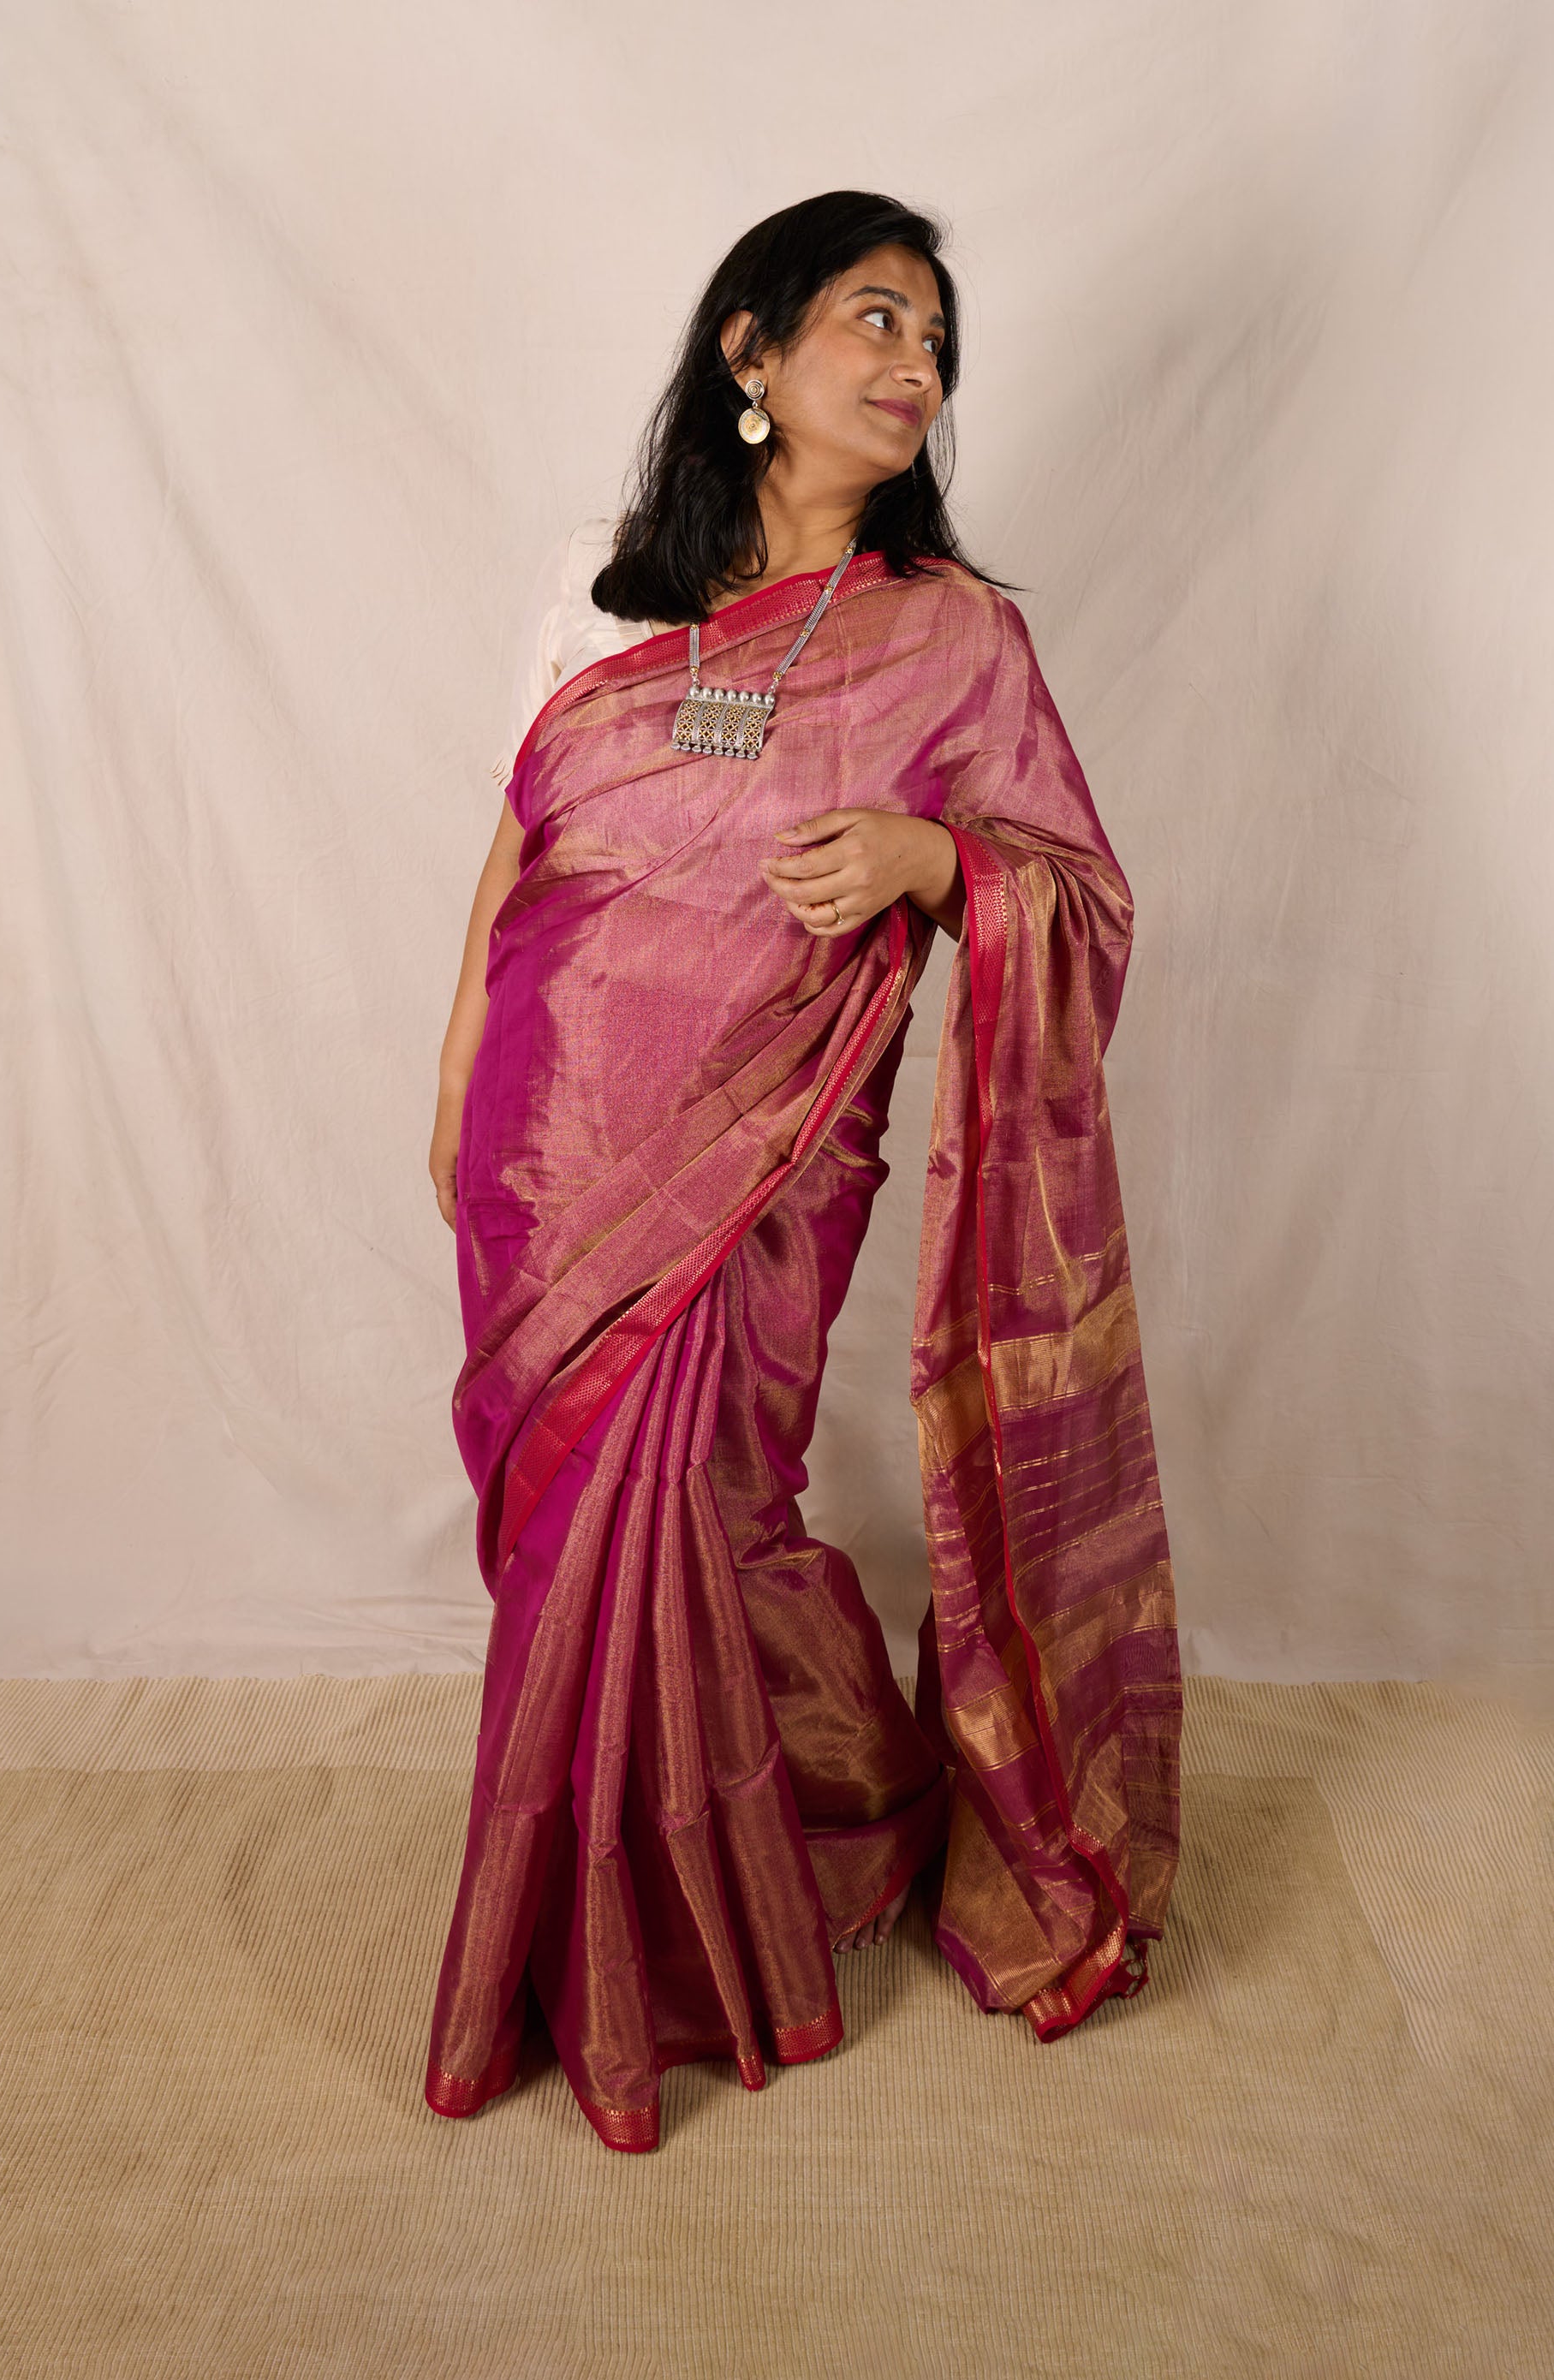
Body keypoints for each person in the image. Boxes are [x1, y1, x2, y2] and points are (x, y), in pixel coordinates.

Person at [423, 190, 1182, 2154]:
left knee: (708, 1497)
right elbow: (517, 853)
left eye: (934, 337)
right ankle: (583, 1925)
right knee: (570, 1531)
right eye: (873, 317)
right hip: (549, 1122)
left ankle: (759, 1868)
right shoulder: (600, 582)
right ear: (750, 354)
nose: (915, 362)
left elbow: (1081, 895)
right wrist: (453, 1081)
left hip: (775, 1136)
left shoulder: (954, 635)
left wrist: (940, 862)